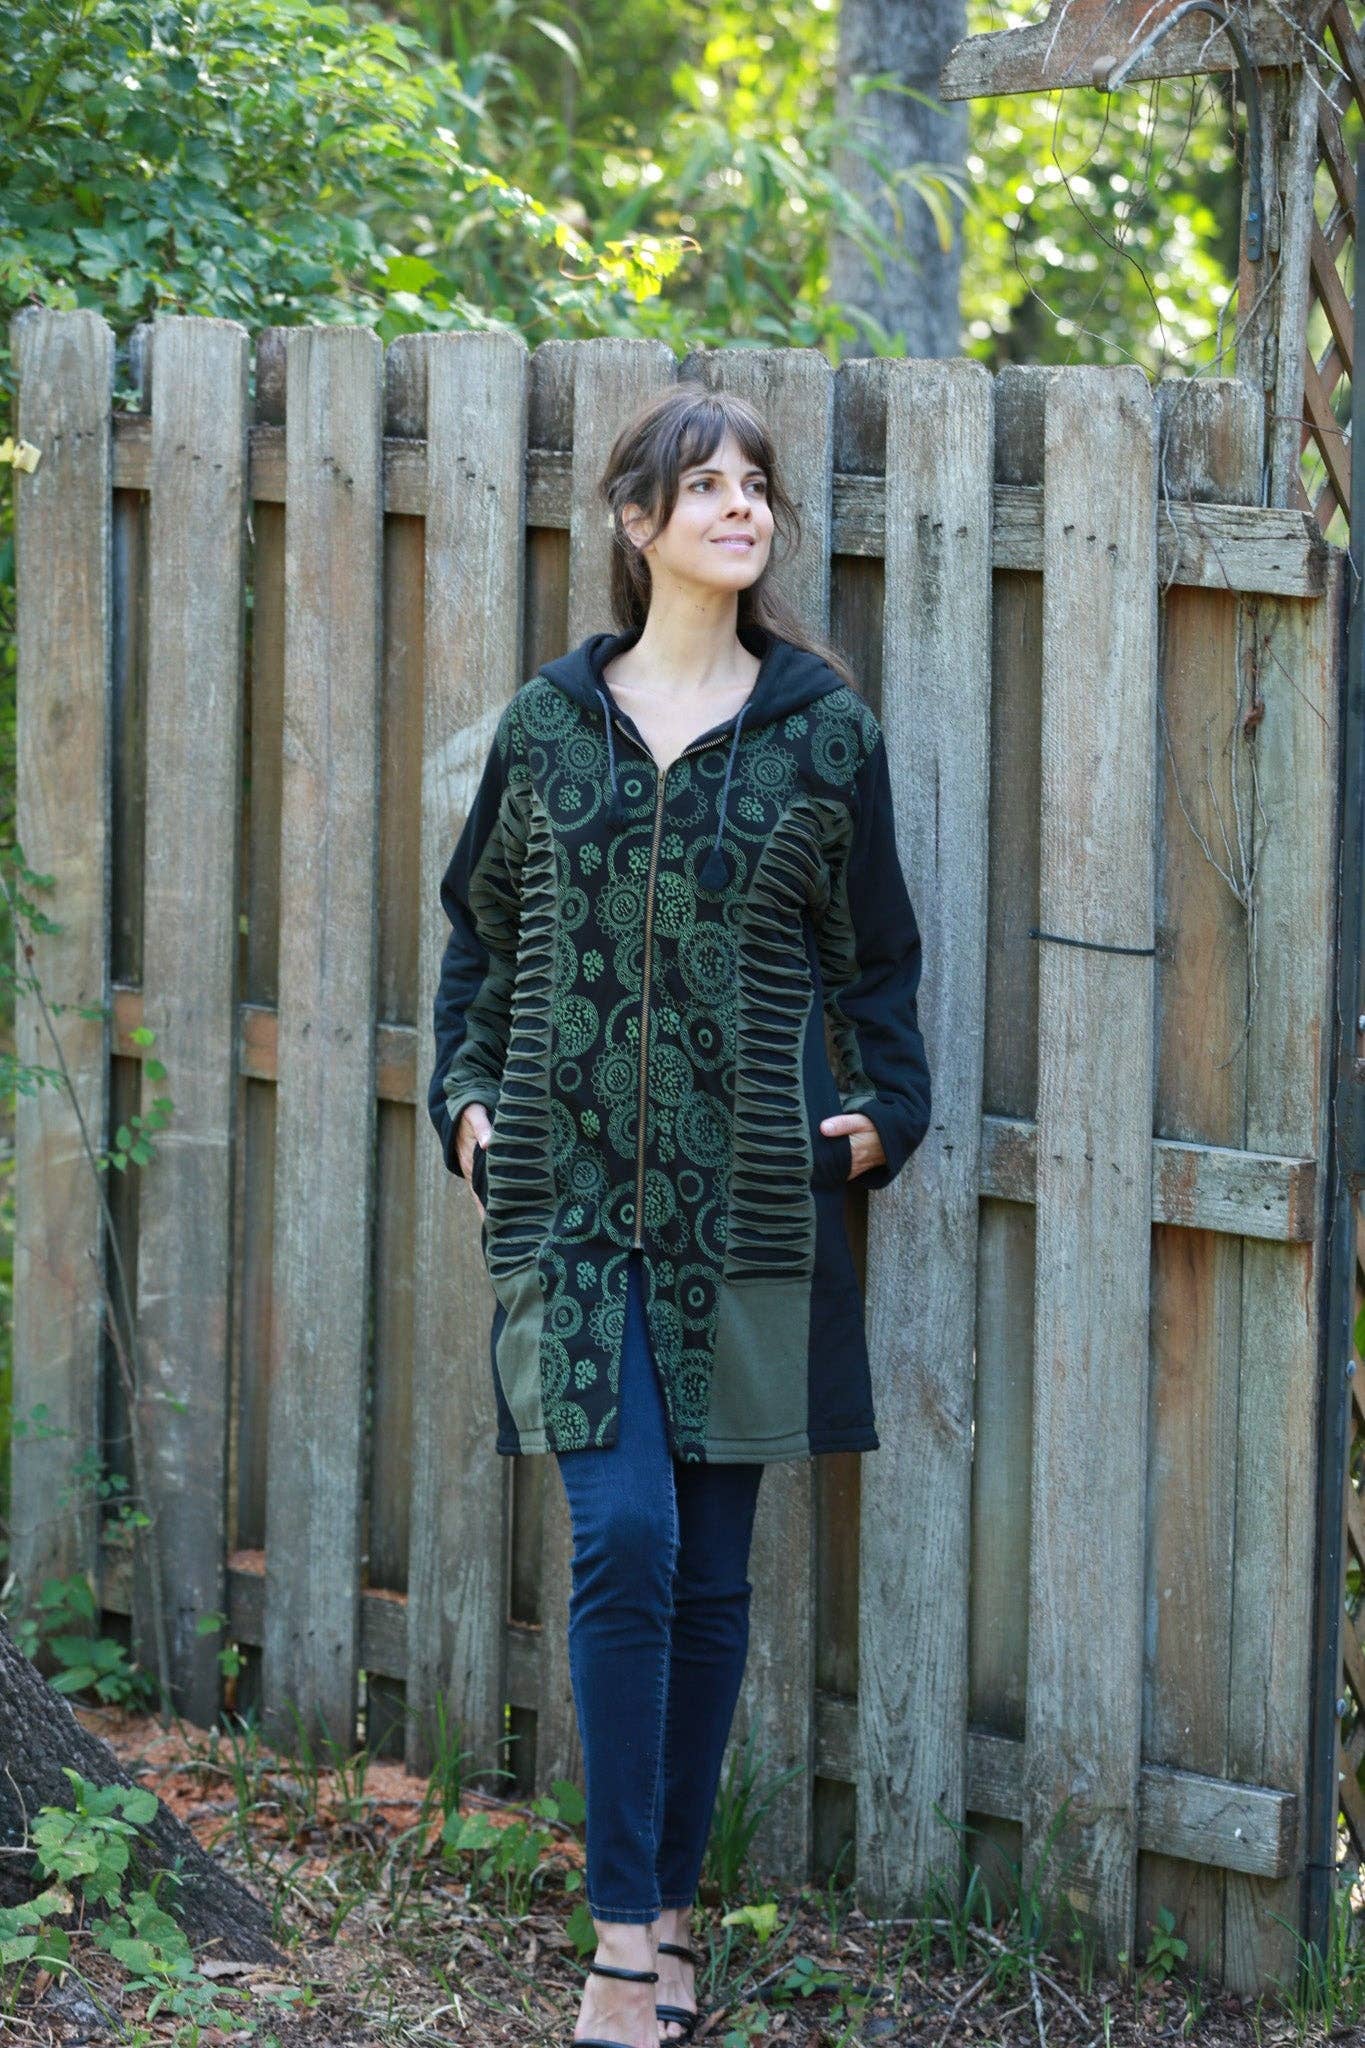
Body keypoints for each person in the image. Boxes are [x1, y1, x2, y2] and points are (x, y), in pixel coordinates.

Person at [428, 383, 931, 2048]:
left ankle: (669, 1916)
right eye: (702, 485)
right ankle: (613, 1949)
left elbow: (877, 961)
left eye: (755, 486)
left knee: (709, 1579)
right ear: (635, 523)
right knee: (626, 1537)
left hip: (750, 1217)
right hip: (564, 1204)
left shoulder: (820, 733)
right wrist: (463, 1096)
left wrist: (886, 1114)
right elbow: (479, 941)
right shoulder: (548, 726)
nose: (738, 507)